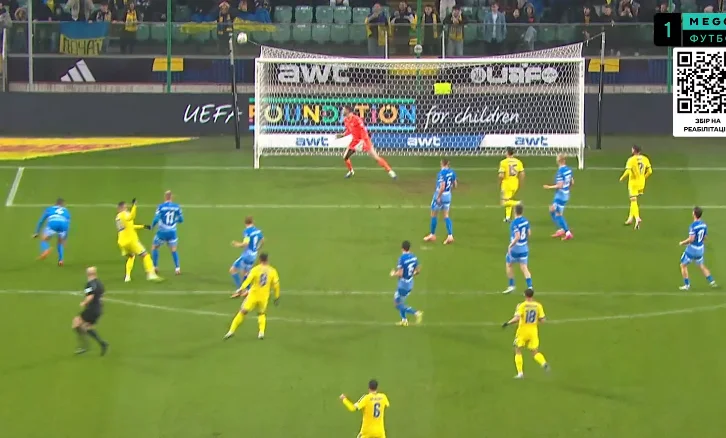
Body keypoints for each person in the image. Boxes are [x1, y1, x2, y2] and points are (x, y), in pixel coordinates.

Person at [224, 252, 280, 340]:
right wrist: (277, 296)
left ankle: (231, 331)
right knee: (261, 313)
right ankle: (261, 333)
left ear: (260, 260)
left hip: (253, 295)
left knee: (242, 312)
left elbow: (248, 280)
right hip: (264, 297)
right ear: (267, 260)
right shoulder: (273, 271)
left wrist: (241, 289)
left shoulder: (255, 269)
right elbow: (276, 285)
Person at [337, 105, 396, 180]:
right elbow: (349, 130)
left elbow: (363, 131)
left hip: (364, 140)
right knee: (345, 157)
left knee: (376, 157)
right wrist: (343, 135)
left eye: (344, 109)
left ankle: (390, 171)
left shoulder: (357, 119)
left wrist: (362, 141)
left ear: (348, 111)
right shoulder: (346, 120)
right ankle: (351, 171)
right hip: (355, 141)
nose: (342, 111)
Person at [502, 288, 550, 379]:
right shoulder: (538, 305)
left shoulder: (522, 305)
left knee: (518, 350)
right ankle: (543, 363)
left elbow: (517, 318)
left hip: (522, 331)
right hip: (533, 331)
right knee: (535, 352)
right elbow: (543, 320)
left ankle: (520, 373)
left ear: (525, 295)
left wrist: (508, 323)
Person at [115, 199, 161, 282]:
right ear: (122, 208)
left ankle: (127, 277)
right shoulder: (124, 214)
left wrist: (143, 226)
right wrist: (134, 206)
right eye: (125, 207)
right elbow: (131, 217)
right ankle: (151, 274)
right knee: (145, 255)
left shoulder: (118, 217)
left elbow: (130, 226)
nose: (126, 208)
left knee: (131, 256)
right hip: (131, 240)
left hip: (122, 242)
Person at [72, 266, 109, 356]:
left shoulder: (89, 284)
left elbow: (90, 295)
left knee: (76, 323)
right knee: (87, 327)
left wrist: (84, 303)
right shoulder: (100, 283)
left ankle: (84, 346)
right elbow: (102, 296)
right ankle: (102, 343)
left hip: (92, 308)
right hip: (99, 309)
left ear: (87, 274)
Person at [679, 206, 717, 290]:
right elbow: (705, 237)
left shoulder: (693, 226)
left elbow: (691, 239)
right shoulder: (704, 224)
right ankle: (712, 281)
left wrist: (682, 243)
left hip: (692, 249)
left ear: (694, 214)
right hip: (700, 249)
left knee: (683, 265)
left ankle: (687, 285)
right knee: (701, 265)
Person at [619, 145, 652, 229]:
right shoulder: (645, 159)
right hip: (641, 183)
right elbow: (650, 171)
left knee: (633, 201)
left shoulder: (631, 160)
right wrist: (643, 178)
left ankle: (637, 218)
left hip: (633, 183)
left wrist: (622, 178)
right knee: (633, 200)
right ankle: (630, 219)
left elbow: (628, 171)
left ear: (633, 151)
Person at [424, 159, 457, 244]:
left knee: (434, 214)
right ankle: (450, 236)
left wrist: (438, 197)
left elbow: (442, 186)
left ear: (442, 164)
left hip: (440, 195)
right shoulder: (452, 172)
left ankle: (432, 235)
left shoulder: (441, 173)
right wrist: (448, 191)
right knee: (446, 215)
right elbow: (455, 185)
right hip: (448, 195)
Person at [390, 240, 423, 326]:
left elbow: (400, 273)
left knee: (397, 304)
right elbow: (418, 270)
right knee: (401, 301)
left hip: (403, 284)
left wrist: (393, 274)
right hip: (410, 282)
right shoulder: (414, 257)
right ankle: (404, 320)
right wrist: (411, 273)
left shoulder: (402, 258)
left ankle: (416, 312)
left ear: (402, 248)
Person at [230, 216, 264, 298]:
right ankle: (247, 290)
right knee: (246, 272)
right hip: (254, 254)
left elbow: (246, 243)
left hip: (247, 255)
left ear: (245, 223)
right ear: (253, 222)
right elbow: (262, 240)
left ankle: (240, 290)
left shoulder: (247, 231)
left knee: (233, 270)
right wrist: (257, 248)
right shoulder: (258, 230)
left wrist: (236, 244)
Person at [151, 191, 184, 275]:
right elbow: (181, 220)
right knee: (174, 250)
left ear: (165, 197)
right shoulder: (177, 207)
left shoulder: (160, 207)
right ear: (171, 197)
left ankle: (155, 267)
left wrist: (152, 226)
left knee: (155, 247)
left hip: (162, 232)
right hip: (172, 232)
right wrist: (175, 221)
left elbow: (156, 219)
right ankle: (177, 268)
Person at [503, 204, 533, 294]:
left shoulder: (514, 223)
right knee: (524, 267)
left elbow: (517, 237)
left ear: (515, 211)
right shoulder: (526, 221)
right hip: (524, 247)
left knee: (509, 264)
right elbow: (529, 233)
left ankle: (511, 285)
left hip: (515, 248)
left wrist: (510, 245)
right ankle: (530, 287)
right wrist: (524, 241)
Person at [543, 154, 574, 240]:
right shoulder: (569, 170)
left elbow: (560, 185)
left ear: (558, 160)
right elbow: (572, 182)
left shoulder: (560, 172)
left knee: (557, 214)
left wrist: (549, 187)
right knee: (552, 210)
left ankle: (567, 232)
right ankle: (562, 229)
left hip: (560, 195)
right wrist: (567, 190)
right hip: (566, 194)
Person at [34, 198, 70, 266]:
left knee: (44, 239)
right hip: (63, 225)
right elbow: (68, 225)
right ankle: (61, 260)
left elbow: (41, 221)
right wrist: (65, 238)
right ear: (63, 204)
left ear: (55, 203)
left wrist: (37, 232)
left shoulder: (49, 209)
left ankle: (46, 249)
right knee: (60, 242)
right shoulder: (66, 211)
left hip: (53, 223)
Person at [498, 147, 524, 222]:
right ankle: (507, 217)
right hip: (515, 183)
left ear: (507, 153)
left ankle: (518, 203)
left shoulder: (503, 162)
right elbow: (522, 173)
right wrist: (520, 182)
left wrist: (500, 182)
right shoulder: (518, 162)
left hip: (506, 184)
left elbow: (501, 175)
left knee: (504, 202)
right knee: (509, 199)